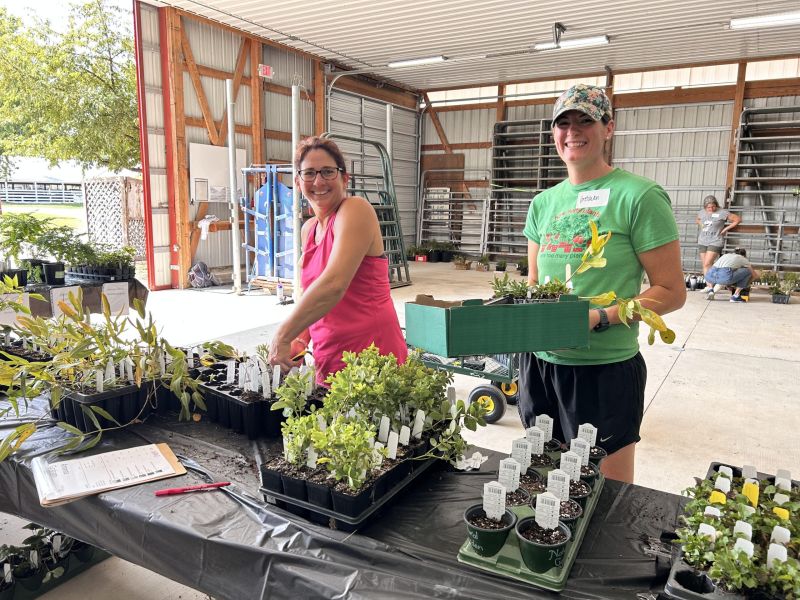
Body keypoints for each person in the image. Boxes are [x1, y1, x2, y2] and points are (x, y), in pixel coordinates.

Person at [519, 84, 686, 484]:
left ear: (608, 128)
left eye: (585, 121)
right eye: (563, 123)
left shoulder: (639, 196)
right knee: (545, 480)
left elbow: (671, 290)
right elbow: (534, 282)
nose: (572, 132)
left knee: (605, 492)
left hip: (602, 370)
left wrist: (600, 318)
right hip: (540, 366)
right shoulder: (544, 203)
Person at [268, 137, 407, 385]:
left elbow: (333, 284)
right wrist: (300, 339)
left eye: (328, 172)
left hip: (373, 358)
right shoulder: (308, 230)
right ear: (298, 183)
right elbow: (311, 294)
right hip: (330, 358)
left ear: (344, 178)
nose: (318, 181)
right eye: (309, 173)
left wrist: (282, 335)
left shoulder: (355, 210)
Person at [697, 195, 741, 276]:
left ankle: (714, 282)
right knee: (705, 265)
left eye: (713, 206)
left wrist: (725, 229)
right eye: (708, 207)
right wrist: (702, 225)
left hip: (716, 240)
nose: (711, 209)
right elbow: (698, 219)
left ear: (716, 204)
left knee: (707, 263)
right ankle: (709, 286)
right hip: (702, 240)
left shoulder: (722, 212)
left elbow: (737, 219)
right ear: (705, 207)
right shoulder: (702, 212)